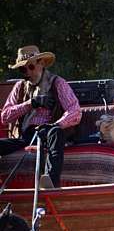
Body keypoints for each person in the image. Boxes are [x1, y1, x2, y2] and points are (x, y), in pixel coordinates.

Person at [0, 45, 81, 188]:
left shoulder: (57, 83)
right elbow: (5, 116)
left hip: (49, 132)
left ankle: (50, 182)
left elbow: (75, 111)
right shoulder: (19, 87)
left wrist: (57, 124)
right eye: (22, 69)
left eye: (30, 67)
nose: (27, 73)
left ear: (41, 63)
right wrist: (30, 103)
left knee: (56, 133)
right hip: (26, 136)